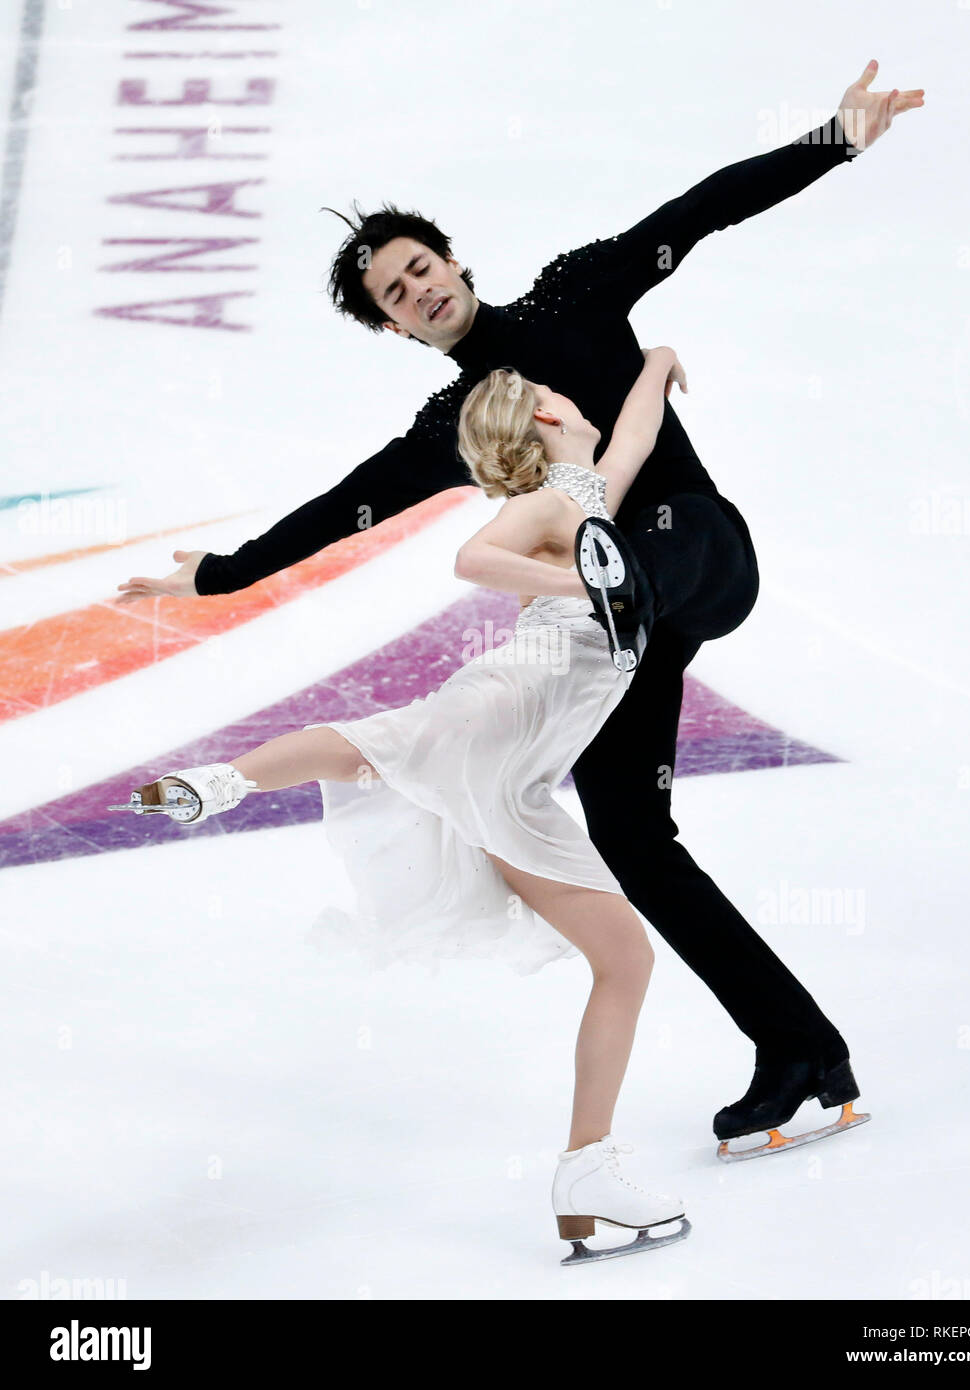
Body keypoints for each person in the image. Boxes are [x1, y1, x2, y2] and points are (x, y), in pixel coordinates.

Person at [115, 64, 924, 1157]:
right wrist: (220, 573)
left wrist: (835, 138)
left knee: (624, 567)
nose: (417, 291)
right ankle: (798, 1051)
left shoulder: (574, 294)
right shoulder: (449, 425)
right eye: (396, 297)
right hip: (618, 619)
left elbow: (697, 210)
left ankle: (614, 583)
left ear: (451, 259)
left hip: (696, 551)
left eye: (419, 268)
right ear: (394, 329)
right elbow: (338, 510)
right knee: (630, 834)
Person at [111, 348, 696, 1264]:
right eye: (556, 395)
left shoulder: (588, 491)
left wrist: (657, 361)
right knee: (391, 745)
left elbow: (631, 436)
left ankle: (589, 1173)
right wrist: (588, 587)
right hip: (512, 702)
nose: (571, 398)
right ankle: (219, 784)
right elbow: (475, 557)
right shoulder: (555, 504)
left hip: (522, 778)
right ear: (545, 422)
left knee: (620, 957)